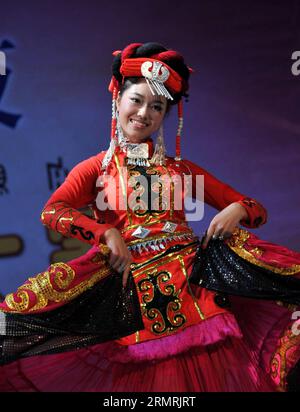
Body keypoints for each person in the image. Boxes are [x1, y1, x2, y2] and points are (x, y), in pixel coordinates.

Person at [0, 42, 299, 392]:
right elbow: (53, 210)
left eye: (156, 107)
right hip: (133, 294)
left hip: (193, 289)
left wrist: (237, 209)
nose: (144, 113)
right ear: (117, 100)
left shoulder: (181, 169)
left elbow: (253, 207)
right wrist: (106, 234)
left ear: (164, 116)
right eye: (136, 100)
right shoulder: (96, 168)